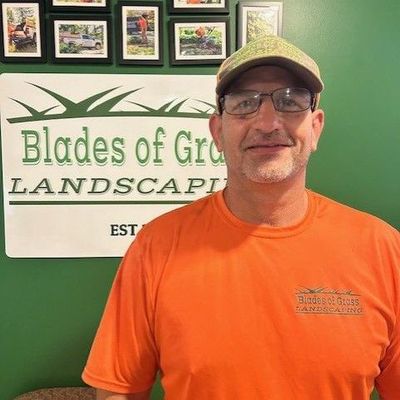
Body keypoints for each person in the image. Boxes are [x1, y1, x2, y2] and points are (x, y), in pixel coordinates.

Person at [82, 35, 400, 400]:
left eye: (291, 101)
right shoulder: (157, 245)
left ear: (315, 128)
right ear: (218, 131)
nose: (267, 122)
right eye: (244, 103)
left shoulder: (382, 248)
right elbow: (118, 392)